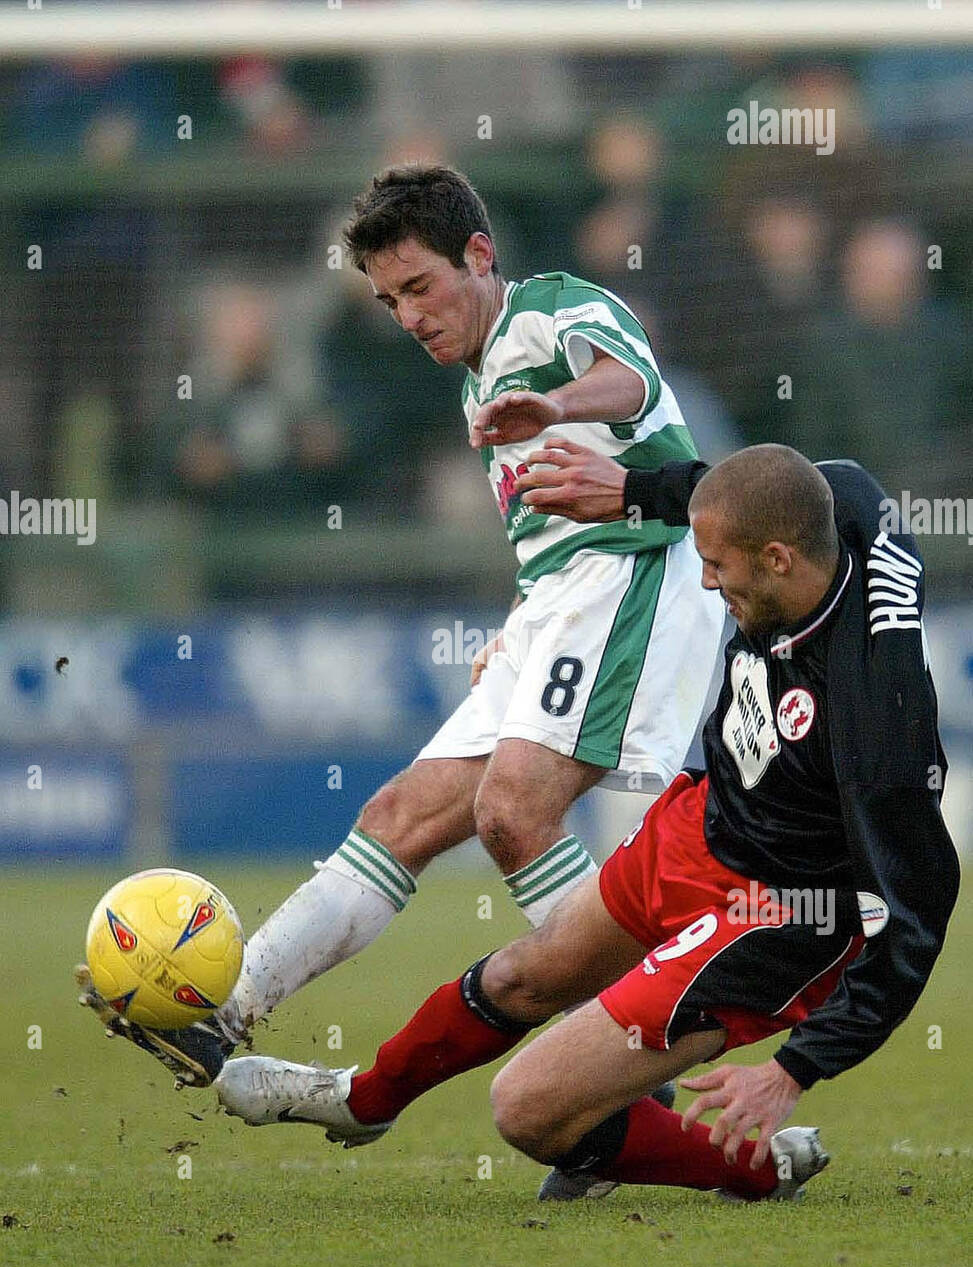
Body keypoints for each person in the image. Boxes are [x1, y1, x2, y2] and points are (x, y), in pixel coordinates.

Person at [77, 165, 723, 1089]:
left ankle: (630, 1052)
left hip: (635, 578)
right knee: (399, 819)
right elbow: (545, 541)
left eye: (420, 287)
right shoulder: (473, 390)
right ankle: (223, 1014)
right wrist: (520, 626)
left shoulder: (550, 310)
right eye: (388, 302)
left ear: (479, 254)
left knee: (514, 812)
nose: (410, 315)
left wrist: (556, 406)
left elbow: (627, 380)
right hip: (559, 601)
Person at [216, 442, 959, 1205]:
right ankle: (361, 1102)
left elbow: (915, 916)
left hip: (773, 916)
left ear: (776, 560)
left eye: (717, 567)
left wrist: (793, 1069)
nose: (705, 580)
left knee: (527, 1108)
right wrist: (635, 487)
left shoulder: (877, 720)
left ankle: (761, 1168)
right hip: (702, 821)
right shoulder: (836, 498)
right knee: (521, 976)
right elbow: (731, 493)